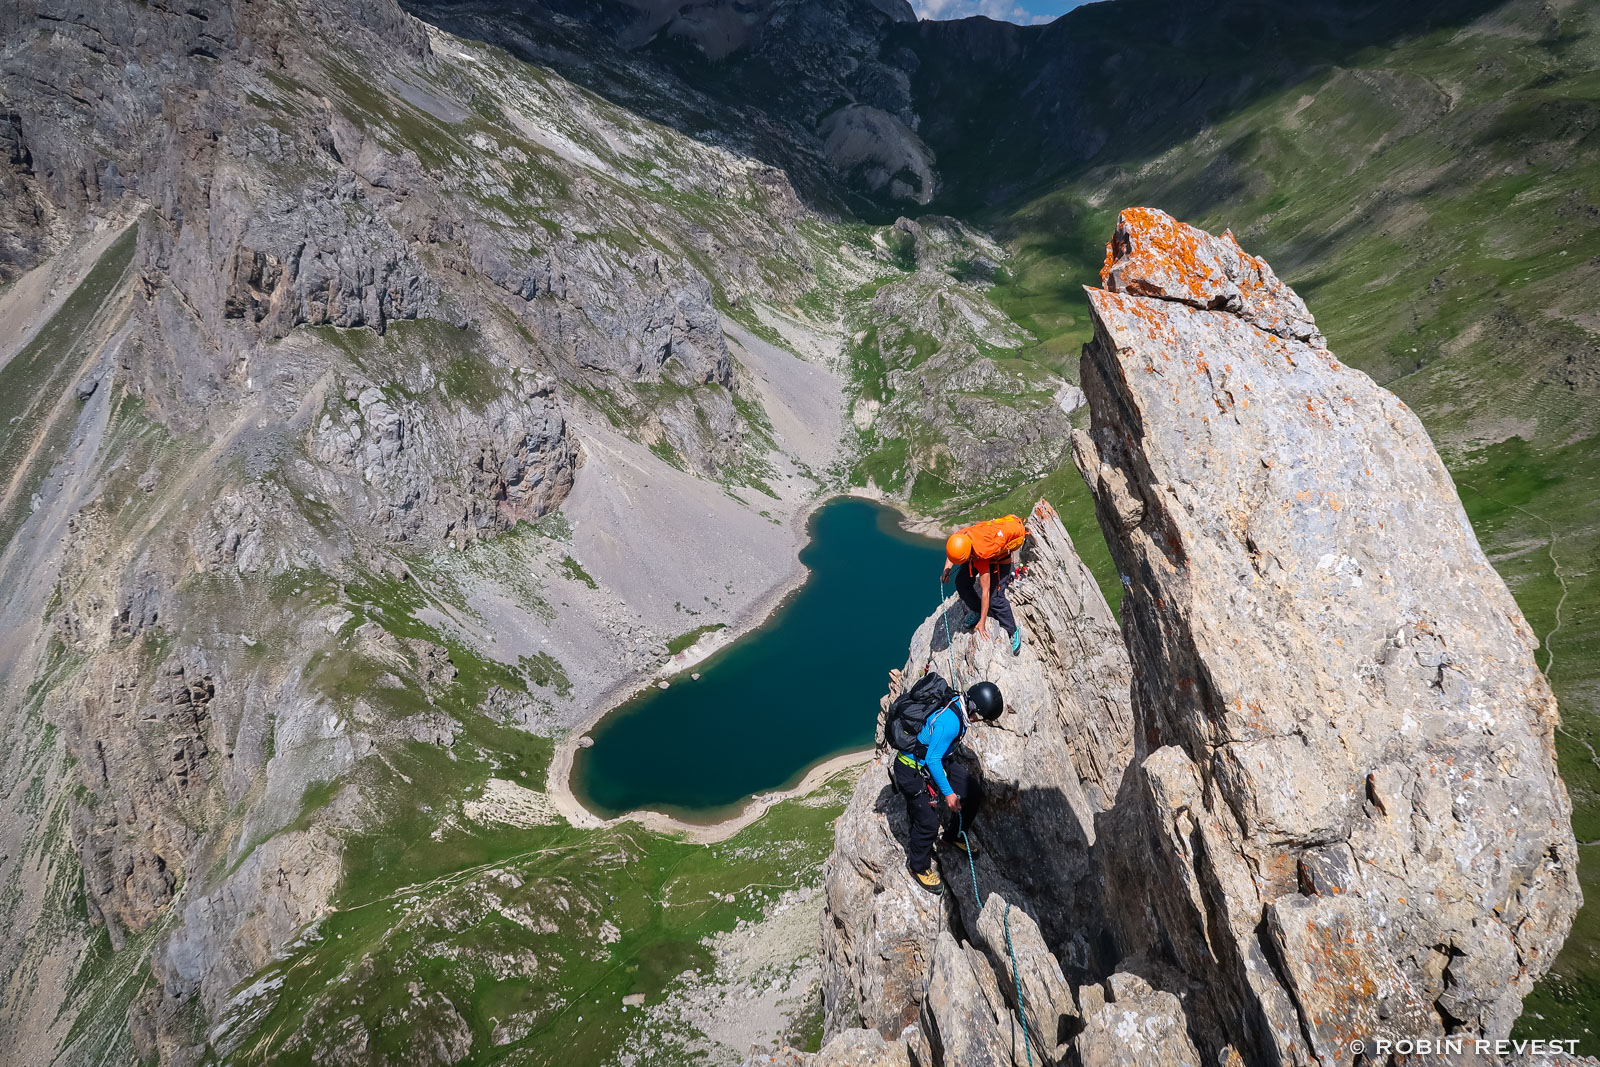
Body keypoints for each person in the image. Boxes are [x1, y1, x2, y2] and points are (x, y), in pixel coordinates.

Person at [893, 680, 1004, 894]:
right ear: (974, 709)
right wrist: (949, 794)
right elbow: (933, 760)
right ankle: (918, 867)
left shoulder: (958, 704)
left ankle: (953, 836)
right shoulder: (951, 723)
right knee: (928, 823)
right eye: (980, 717)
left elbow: (935, 757)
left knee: (973, 792)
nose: (978, 721)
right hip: (911, 768)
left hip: (934, 760)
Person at [942, 515, 1027, 655]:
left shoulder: (981, 554)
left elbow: (985, 591)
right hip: (977, 555)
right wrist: (947, 569)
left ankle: (1013, 631)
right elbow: (952, 554)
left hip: (999, 558)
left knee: (995, 598)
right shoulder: (961, 538)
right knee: (961, 583)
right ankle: (976, 608)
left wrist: (982, 622)